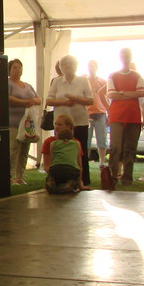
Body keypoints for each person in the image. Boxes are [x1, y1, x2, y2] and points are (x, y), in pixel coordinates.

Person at [45, 54, 93, 188]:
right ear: (61, 67)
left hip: (79, 121)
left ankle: (83, 180)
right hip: (62, 123)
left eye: (70, 64)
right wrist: (64, 102)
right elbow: (49, 100)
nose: (67, 66)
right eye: (65, 64)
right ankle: (60, 178)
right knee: (61, 149)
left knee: (80, 150)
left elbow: (90, 100)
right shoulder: (56, 81)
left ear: (76, 66)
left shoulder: (83, 80)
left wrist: (76, 99)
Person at [107, 48, 144, 186]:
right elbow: (111, 94)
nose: (125, 58)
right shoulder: (113, 76)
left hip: (133, 116)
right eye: (123, 55)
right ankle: (112, 176)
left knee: (130, 148)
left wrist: (122, 93)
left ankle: (127, 177)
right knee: (115, 147)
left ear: (131, 57)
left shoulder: (137, 76)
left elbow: (141, 93)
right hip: (117, 116)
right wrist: (131, 94)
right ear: (120, 57)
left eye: (128, 55)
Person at [8, 58, 41, 184]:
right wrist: (24, 102)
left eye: (20, 67)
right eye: (15, 67)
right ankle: (10, 176)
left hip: (28, 124)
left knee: (24, 150)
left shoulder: (28, 85)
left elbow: (38, 99)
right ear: (9, 70)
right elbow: (7, 98)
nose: (18, 70)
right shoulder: (8, 83)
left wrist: (31, 101)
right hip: (14, 122)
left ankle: (20, 176)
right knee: (14, 149)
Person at [41, 113, 83, 194]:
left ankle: (57, 183)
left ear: (68, 126)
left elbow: (78, 162)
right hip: (64, 171)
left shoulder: (75, 142)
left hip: (58, 170)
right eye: (55, 124)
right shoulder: (49, 141)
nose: (56, 127)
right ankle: (66, 183)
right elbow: (46, 165)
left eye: (60, 124)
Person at [86, 60, 109, 168]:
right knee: (87, 139)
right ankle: (85, 160)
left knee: (102, 139)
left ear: (96, 67)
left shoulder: (102, 81)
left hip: (101, 113)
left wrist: (108, 112)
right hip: (87, 113)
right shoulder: (85, 81)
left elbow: (107, 97)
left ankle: (102, 162)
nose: (91, 68)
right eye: (89, 66)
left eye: (92, 66)